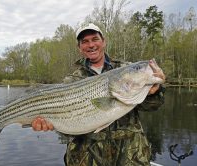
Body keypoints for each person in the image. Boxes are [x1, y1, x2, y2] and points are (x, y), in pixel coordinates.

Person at [31, 23, 166, 166]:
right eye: (85, 41)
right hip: (86, 159)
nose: (91, 45)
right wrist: (51, 124)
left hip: (130, 157)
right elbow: (69, 130)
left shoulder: (123, 68)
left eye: (95, 39)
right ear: (79, 48)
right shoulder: (71, 80)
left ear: (103, 41)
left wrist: (155, 91)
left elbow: (152, 106)